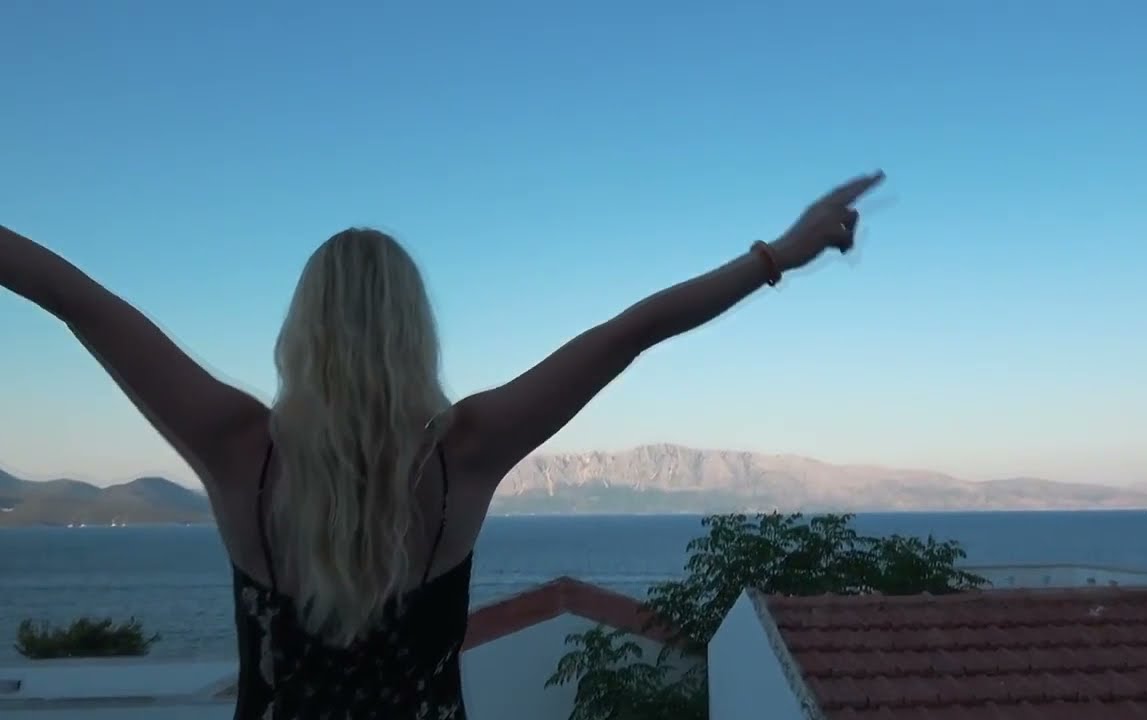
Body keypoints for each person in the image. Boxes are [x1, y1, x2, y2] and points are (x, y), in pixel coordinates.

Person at [0, 169, 884, 719]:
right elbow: (631, 333)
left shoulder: (239, 451)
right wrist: (778, 254)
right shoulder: (464, 455)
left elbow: (73, 297)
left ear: (300, 333)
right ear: (415, 333)